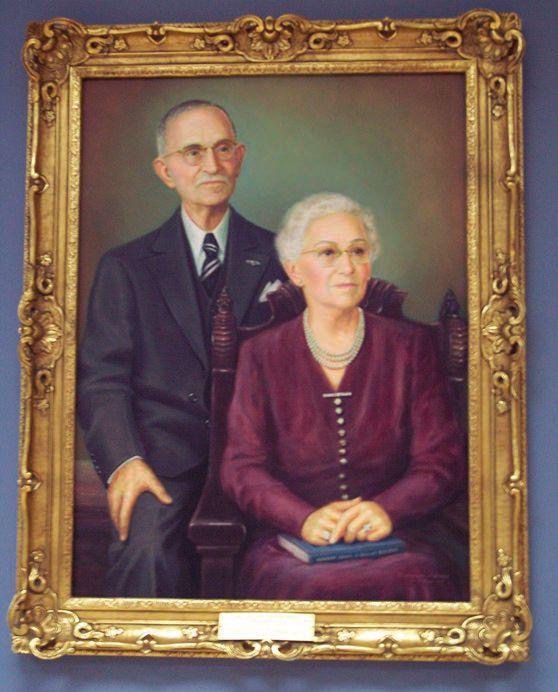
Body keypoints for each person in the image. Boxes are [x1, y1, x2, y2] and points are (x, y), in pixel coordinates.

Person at [78, 100, 286, 598]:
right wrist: (125, 461)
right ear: (165, 171)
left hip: (268, 461)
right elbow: (101, 382)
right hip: (161, 461)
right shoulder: (125, 267)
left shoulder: (285, 256)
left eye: (222, 149)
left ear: (239, 157)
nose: (211, 165)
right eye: (193, 152)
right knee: (146, 552)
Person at [220, 192, 466, 601]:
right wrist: (303, 518)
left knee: (419, 577)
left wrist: (386, 509)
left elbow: (441, 462)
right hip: (293, 544)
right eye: (328, 253)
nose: (347, 267)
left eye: (358, 251)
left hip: (400, 538)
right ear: (294, 270)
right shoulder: (260, 354)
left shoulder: (411, 348)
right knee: (296, 588)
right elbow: (242, 468)